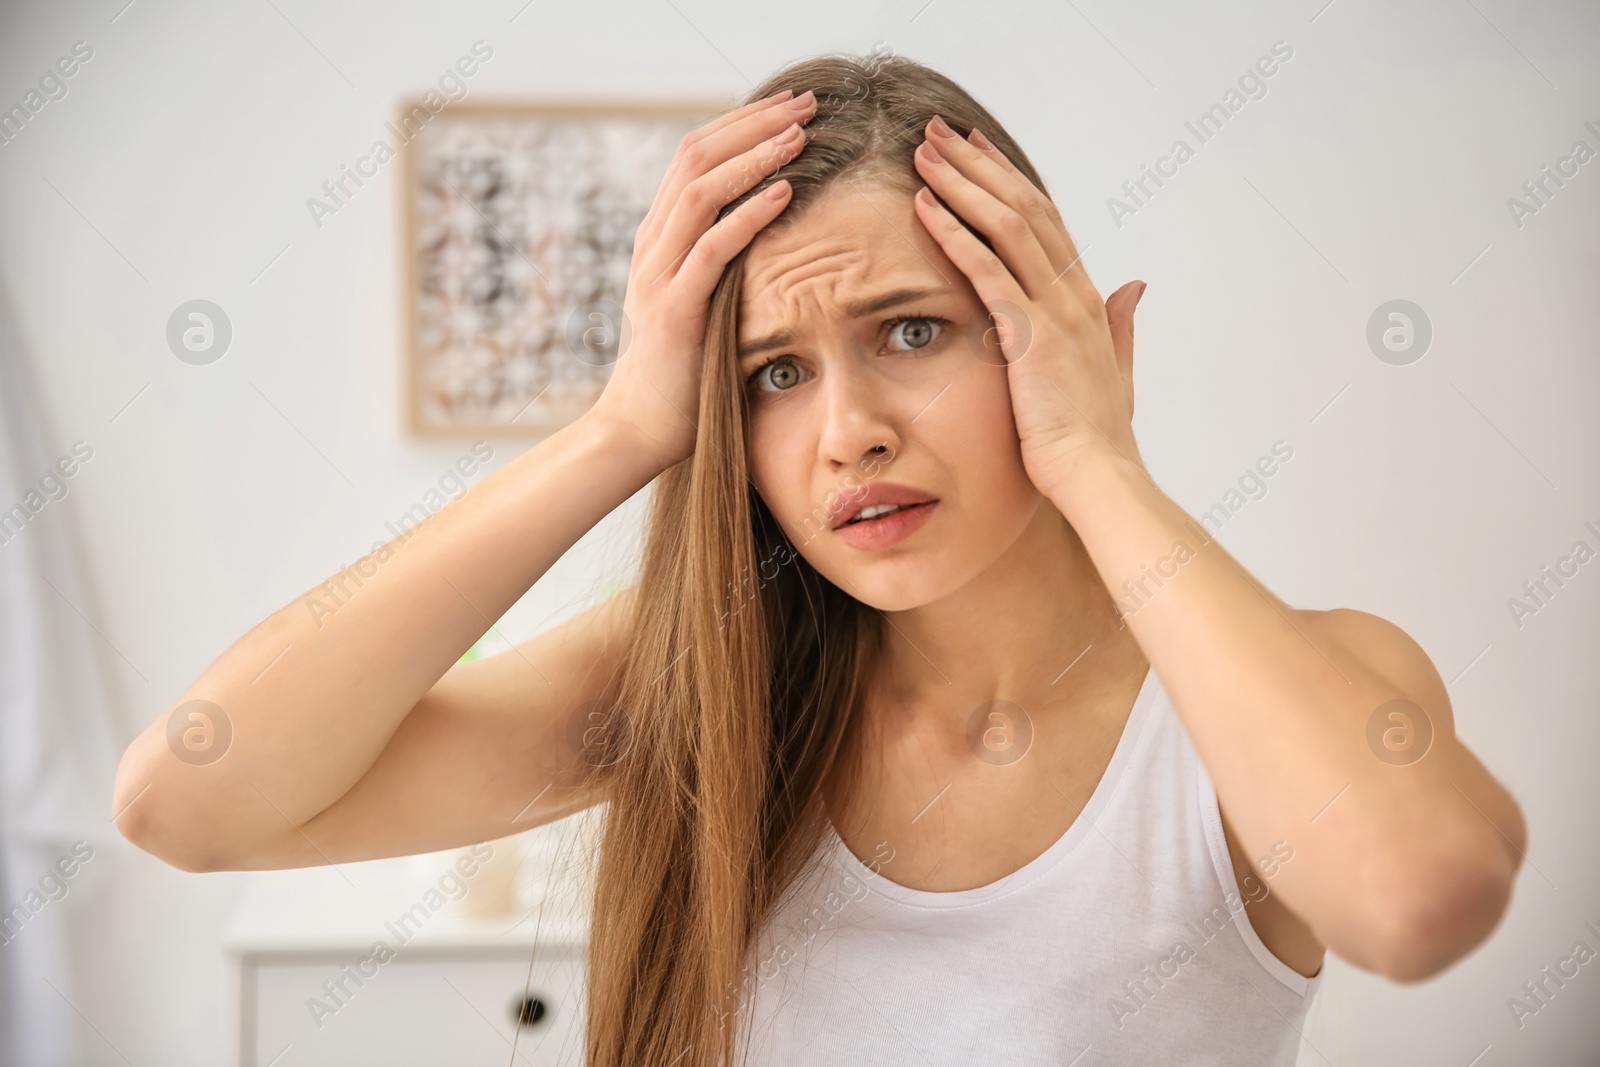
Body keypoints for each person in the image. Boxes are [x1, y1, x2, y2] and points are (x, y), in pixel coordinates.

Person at [112, 52, 1526, 1067]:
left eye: (912, 332)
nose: (847, 432)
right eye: (773, 374)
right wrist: (617, 430)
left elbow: (1418, 901)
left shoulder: (1285, 696)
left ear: (1056, 339)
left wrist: (1101, 463)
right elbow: (189, 797)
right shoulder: (690, 687)